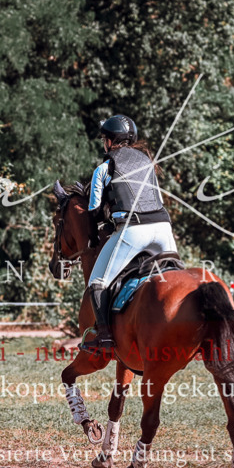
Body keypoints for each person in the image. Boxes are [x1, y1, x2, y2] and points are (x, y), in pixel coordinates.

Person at [79, 114, 177, 354]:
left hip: (133, 231)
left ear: (110, 141)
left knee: (97, 282)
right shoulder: (147, 163)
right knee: (176, 278)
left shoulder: (104, 168)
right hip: (163, 229)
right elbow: (158, 200)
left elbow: (94, 211)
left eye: (104, 138)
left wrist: (98, 232)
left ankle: (104, 337)